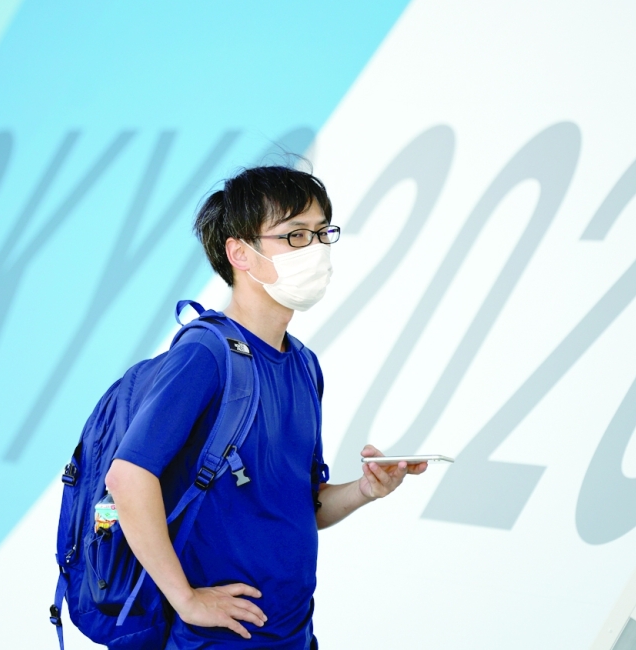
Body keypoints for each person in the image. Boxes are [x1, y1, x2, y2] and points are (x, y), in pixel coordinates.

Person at [104, 165, 427, 649]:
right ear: (240, 253)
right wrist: (187, 599)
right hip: (217, 641)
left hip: (292, 635)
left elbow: (303, 502)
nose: (315, 249)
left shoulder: (303, 364)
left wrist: (364, 489)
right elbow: (127, 477)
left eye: (322, 233)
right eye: (295, 235)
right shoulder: (205, 355)